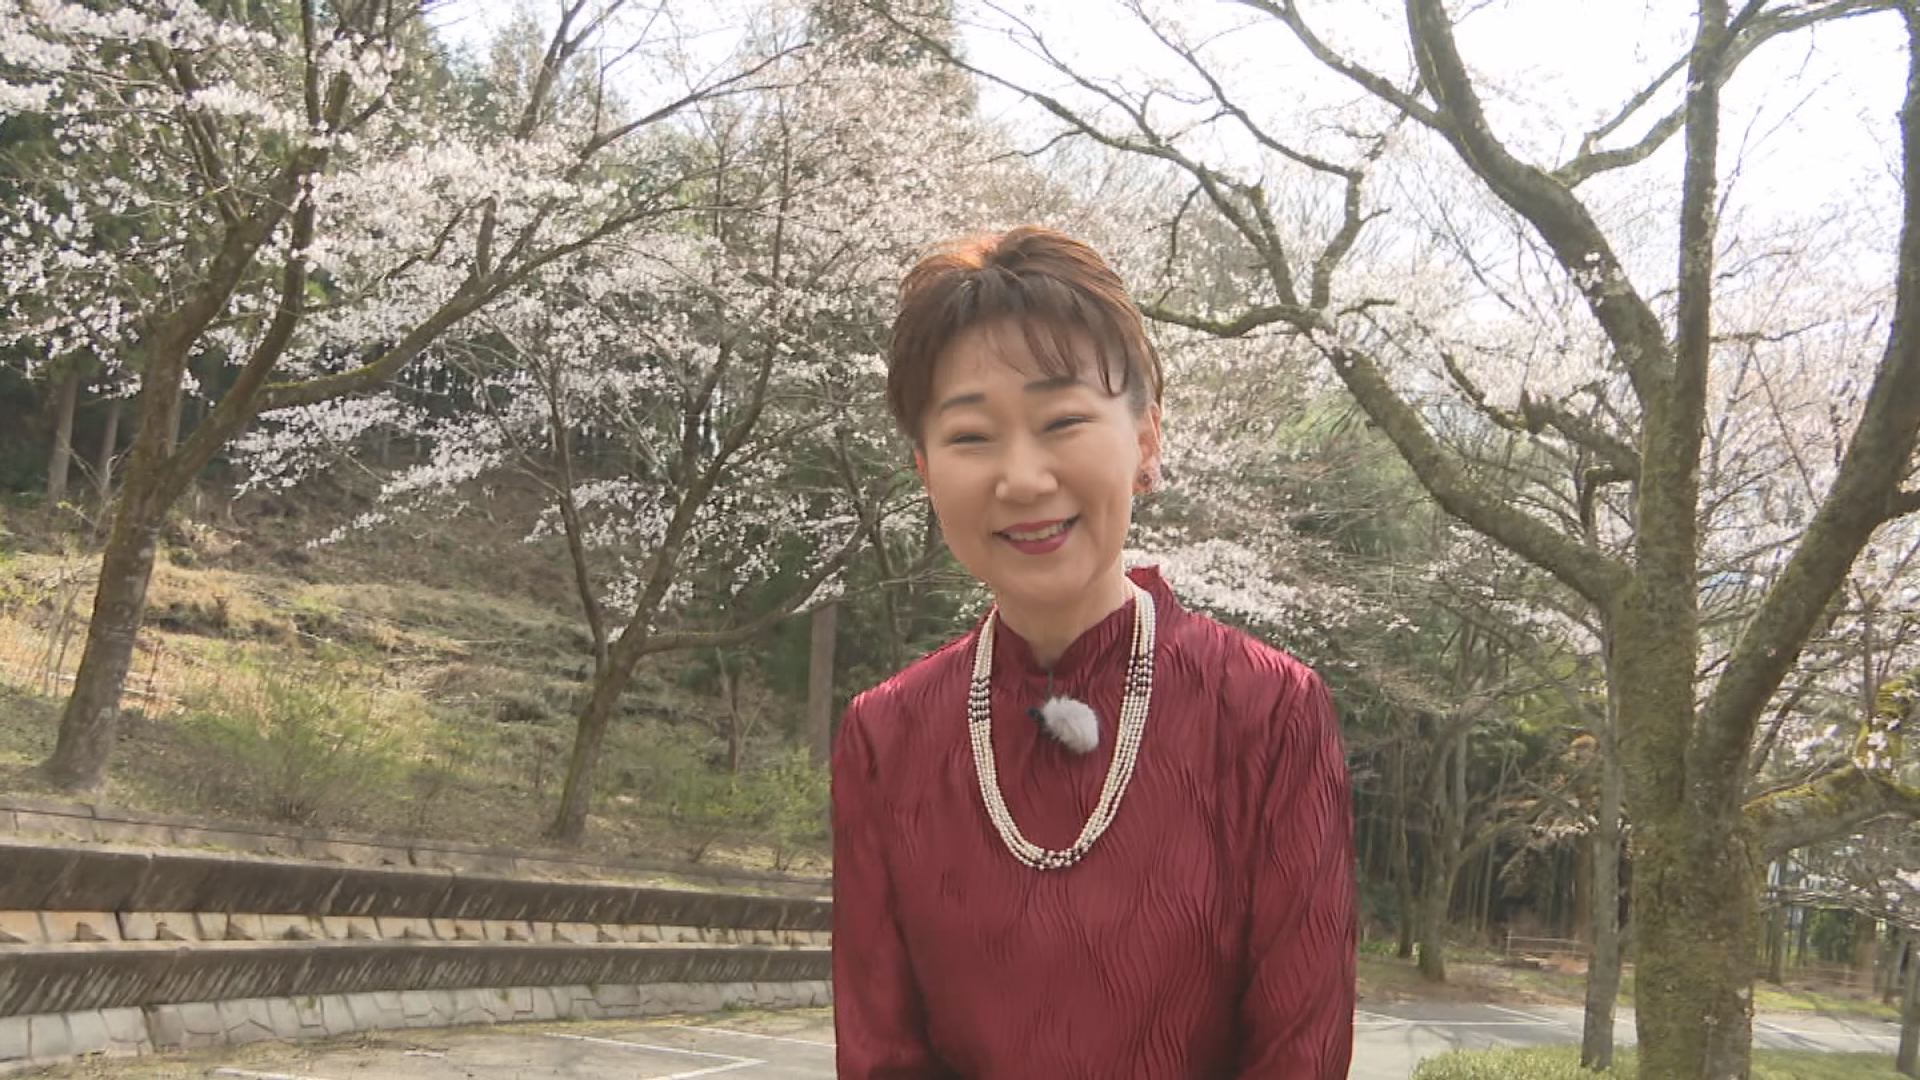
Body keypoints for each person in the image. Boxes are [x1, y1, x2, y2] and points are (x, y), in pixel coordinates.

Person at [831, 226, 1356, 1078]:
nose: (1024, 478)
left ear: (1145, 441)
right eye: (971, 437)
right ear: (925, 469)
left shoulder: (1267, 709)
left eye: (1062, 421)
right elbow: (880, 1052)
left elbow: (1299, 1052)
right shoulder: (886, 736)